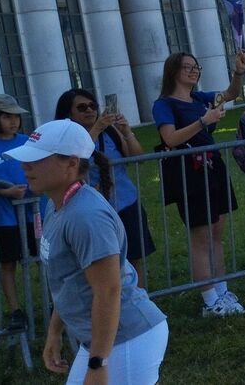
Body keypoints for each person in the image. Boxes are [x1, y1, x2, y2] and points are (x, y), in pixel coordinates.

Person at [10, 120, 168, 385]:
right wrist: (55, 332)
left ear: (72, 164)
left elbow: (108, 291)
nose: (25, 167)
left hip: (127, 339)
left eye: (36, 160)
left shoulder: (87, 217)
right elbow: (70, 281)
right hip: (101, 339)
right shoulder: (56, 204)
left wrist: (98, 364)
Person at [153, 51, 245, 317]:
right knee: (201, 237)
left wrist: (239, 72)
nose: (195, 71)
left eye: (197, 66)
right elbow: (170, 138)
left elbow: (230, 94)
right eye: (188, 67)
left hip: (212, 166)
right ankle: (209, 300)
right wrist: (203, 121)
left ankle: (222, 291)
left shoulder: (199, 98)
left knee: (217, 232)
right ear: (173, 71)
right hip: (189, 173)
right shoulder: (165, 105)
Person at [55, 89, 156, 288]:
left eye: (93, 105)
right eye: (82, 107)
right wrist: (96, 129)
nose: (90, 111)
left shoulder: (110, 131)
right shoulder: (66, 139)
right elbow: (74, 161)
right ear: (69, 114)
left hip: (126, 202)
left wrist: (126, 132)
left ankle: (138, 299)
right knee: (103, 261)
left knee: (134, 257)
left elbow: (137, 157)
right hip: (93, 210)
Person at [0, 94, 32, 332]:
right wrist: (4, 193)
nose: (13, 121)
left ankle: (55, 303)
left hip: (33, 214)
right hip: (4, 218)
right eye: (6, 116)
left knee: (44, 259)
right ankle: (16, 310)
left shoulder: (29, 141)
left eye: (15, 116)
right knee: (8, 263)